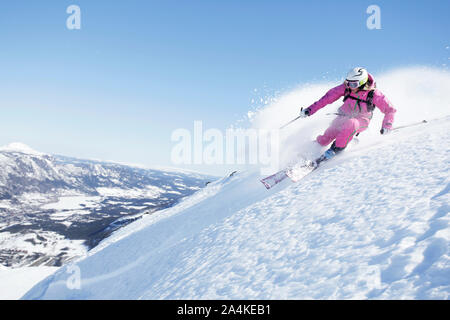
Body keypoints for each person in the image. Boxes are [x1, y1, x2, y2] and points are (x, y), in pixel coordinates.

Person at [299, 67, 396, 166]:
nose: (350, 87)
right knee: (328, 135)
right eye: (348, 83)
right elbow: (326, 99)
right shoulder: (346, 88)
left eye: (354, 84)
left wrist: (387, 125)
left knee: (351, 124)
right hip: (343, 116)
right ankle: (309, 151)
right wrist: (309, 110)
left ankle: (334, 150)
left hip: (361, 121)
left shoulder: (374, 94)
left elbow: (390, 110)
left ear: (362, 82)